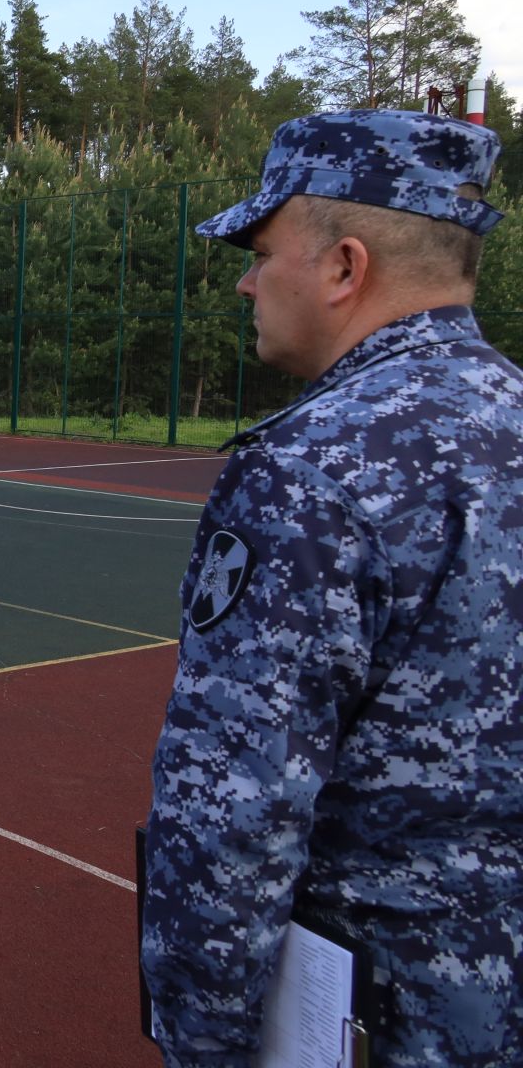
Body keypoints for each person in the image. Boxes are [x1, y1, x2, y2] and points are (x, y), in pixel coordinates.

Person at [140, 110, 521, 1068]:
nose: (244, 278)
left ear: (346, 268)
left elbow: (233, 813)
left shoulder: (313, 468)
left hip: (392, 1014)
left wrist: (201, 1042)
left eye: (262, 251)